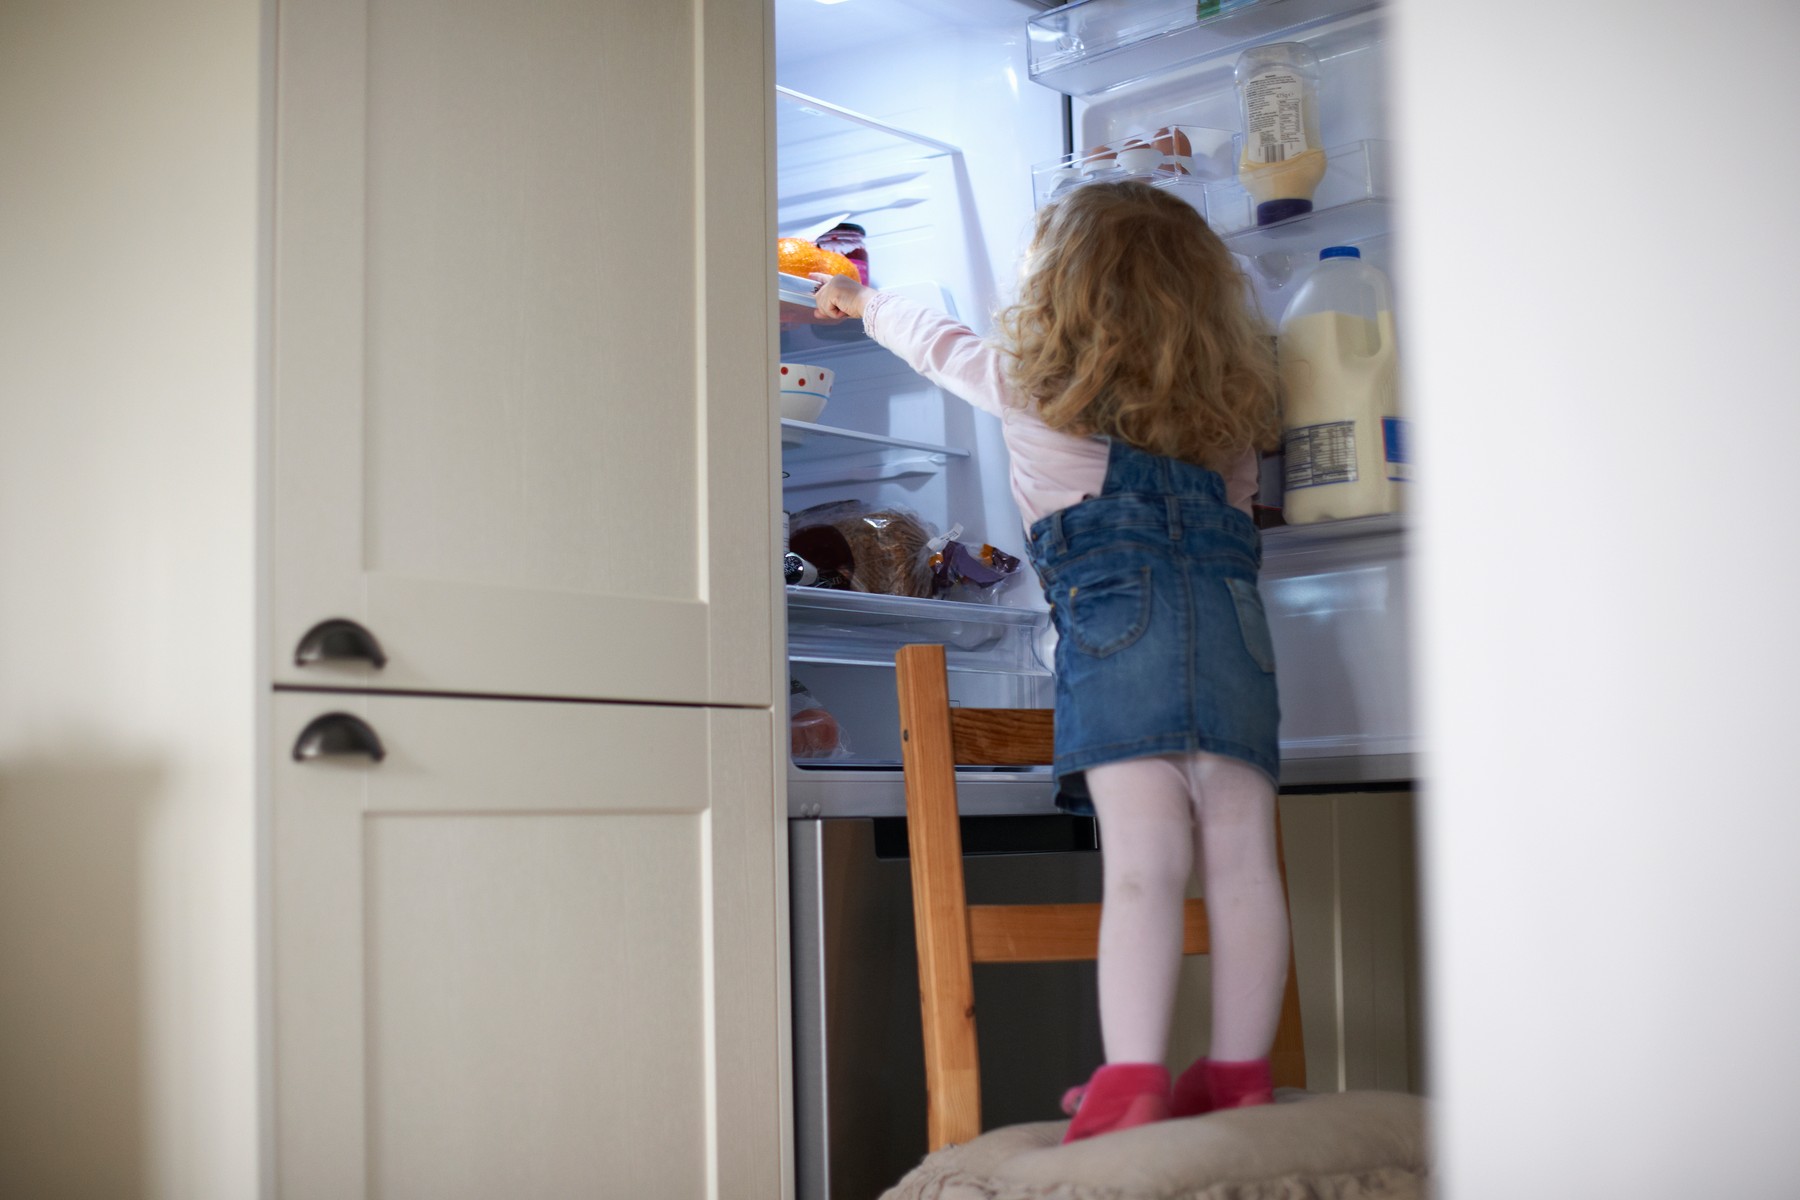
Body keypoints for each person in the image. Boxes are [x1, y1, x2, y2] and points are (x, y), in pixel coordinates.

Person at [810, 180, 1289, 1143]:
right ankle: (1240, 1074)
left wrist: (861, 300)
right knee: (1243, 862)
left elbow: (939, 343)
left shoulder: (1035, 389)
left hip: (1121, 648)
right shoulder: (1229, 424)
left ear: (1060, 295)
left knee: (1145, 865)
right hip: (1238, 644)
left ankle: (1133, 1079)